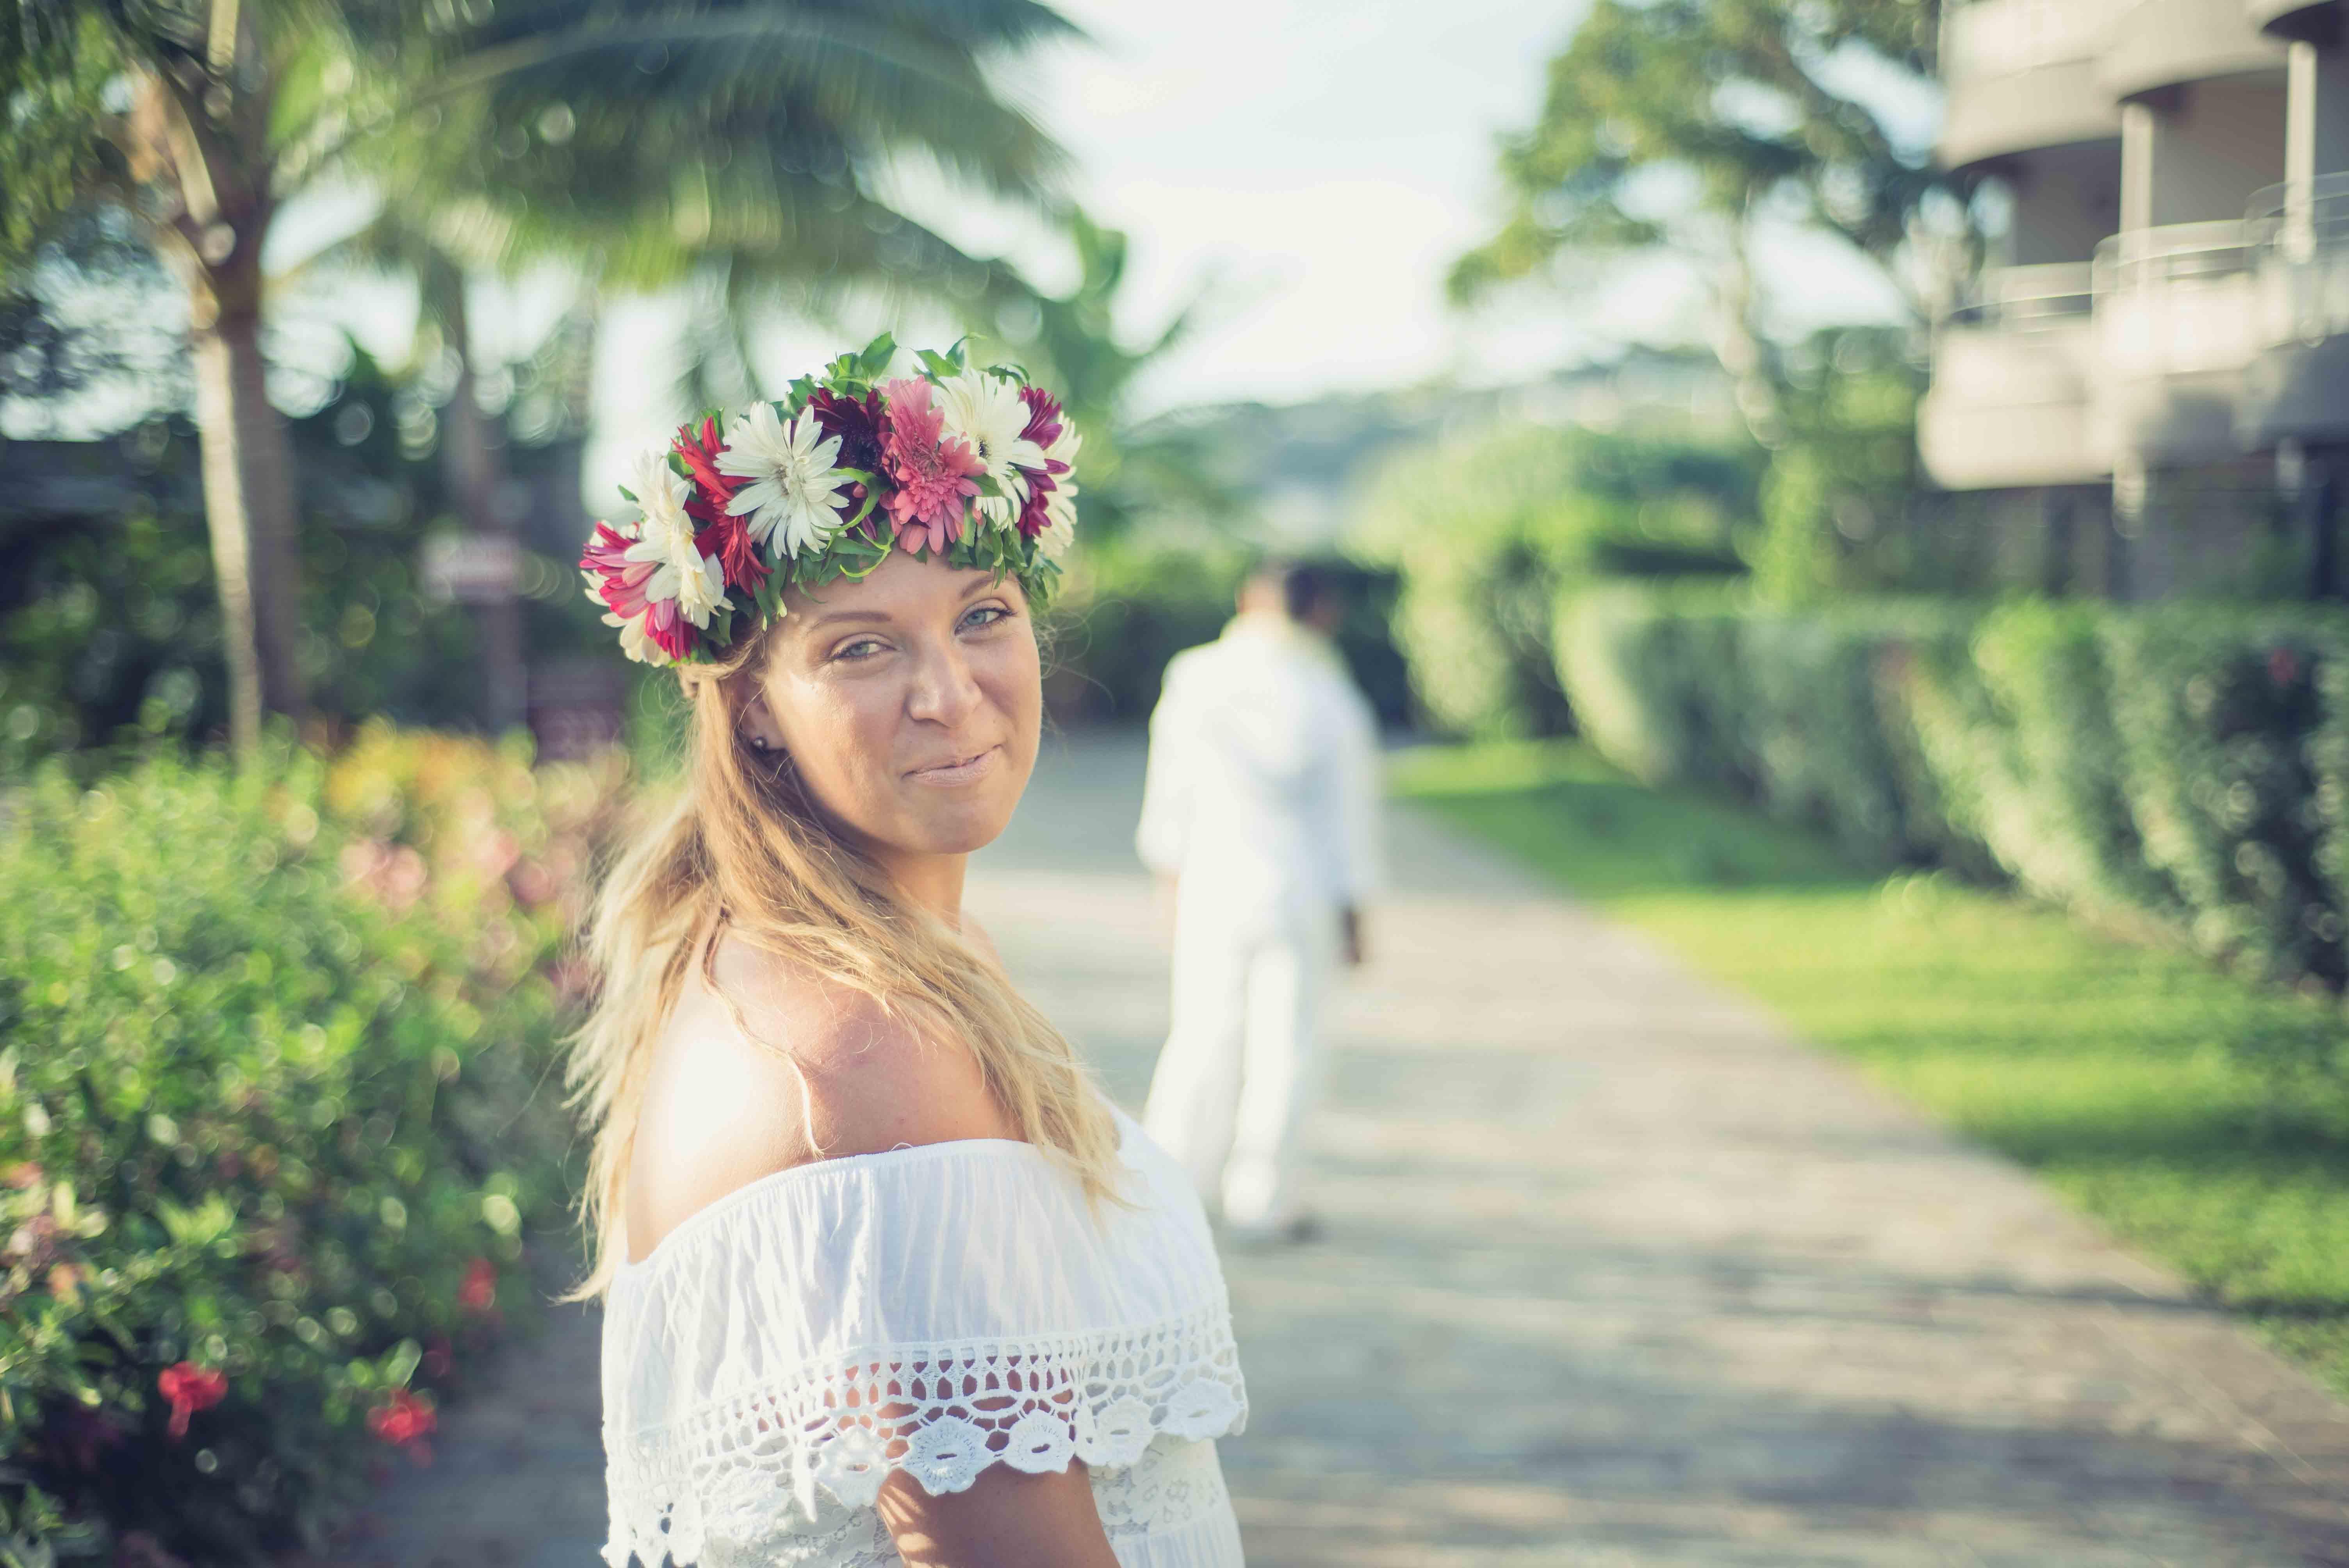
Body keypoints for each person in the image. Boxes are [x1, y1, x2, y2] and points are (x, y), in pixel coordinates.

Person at [565, 338, 1249, 1568]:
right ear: (755, 706)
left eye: (985, 615)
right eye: (861, 647)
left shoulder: (848, 959)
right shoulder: (865, 1047)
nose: (951, 692)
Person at [1135, 558, 1383, 1246]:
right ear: (1321, 613)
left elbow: (1171, 792)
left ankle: (1169, 1193)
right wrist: (1356, 910)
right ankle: (1265, 1198)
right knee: (1289, 1047)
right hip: (1300, 889)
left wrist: (1169, 881)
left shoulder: (1195, 675)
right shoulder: (1328, 693)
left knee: (1200, 1035)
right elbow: (1348, 817)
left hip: (1215, 879)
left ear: (1250, 599)